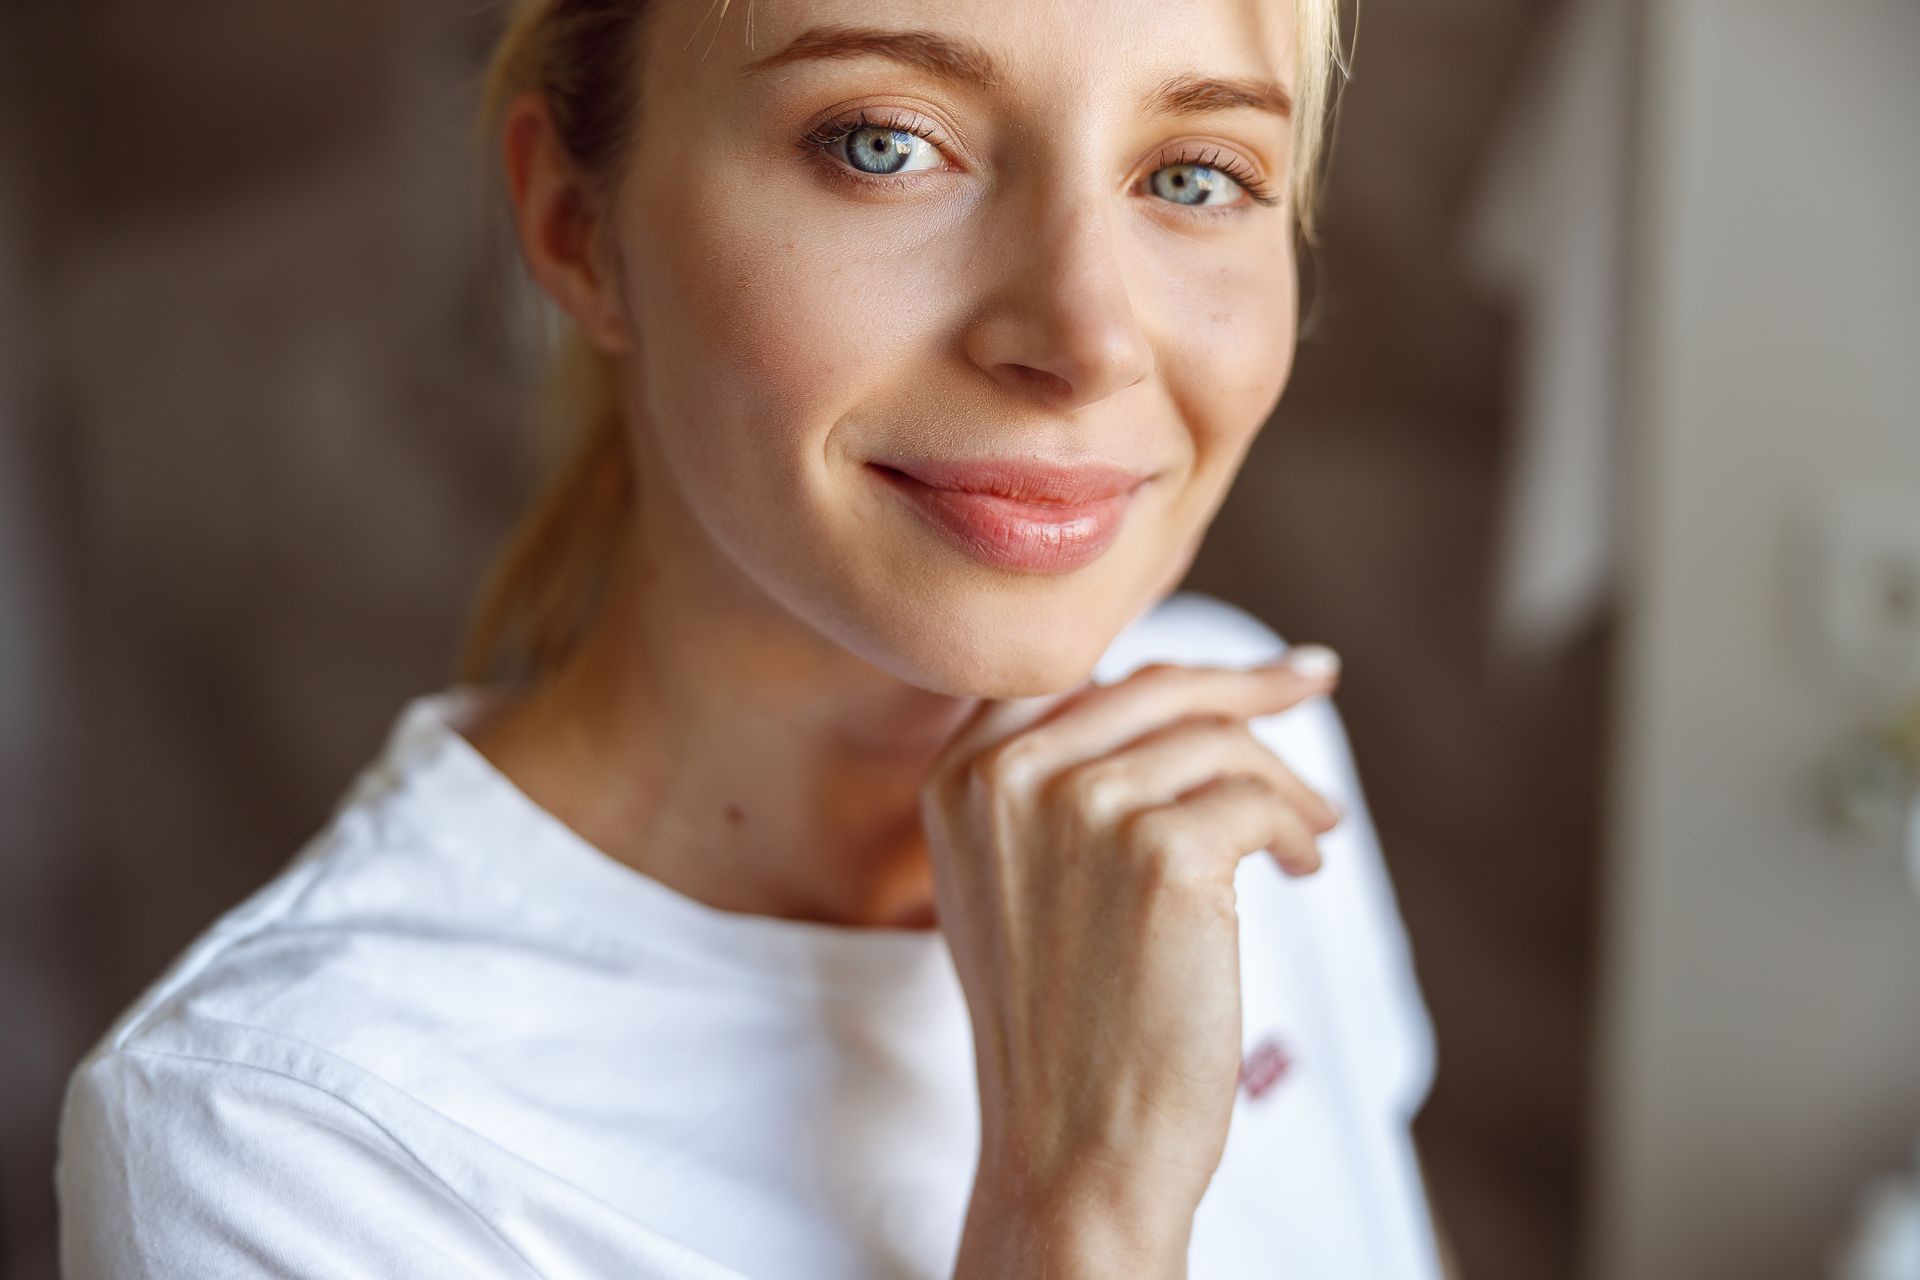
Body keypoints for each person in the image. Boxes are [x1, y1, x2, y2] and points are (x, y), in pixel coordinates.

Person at [56, 0, 1452, 1275]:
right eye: (884, 143)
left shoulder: (1226, 745)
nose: (1086, 338)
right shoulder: (278, 1133)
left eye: (1194, 176)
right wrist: (1078, 1211)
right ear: (570, 223)